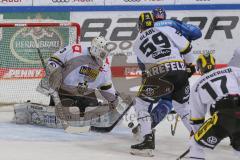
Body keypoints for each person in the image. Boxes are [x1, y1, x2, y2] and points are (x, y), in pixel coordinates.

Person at [130, 12, 192, 156]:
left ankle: (147, 140)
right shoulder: (168, 29)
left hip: (159, 73)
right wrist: (191, 66)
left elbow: (148, 66)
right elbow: (187, 48)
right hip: (180, 70)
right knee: (182, 107)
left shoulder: (137, 42)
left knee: (141, 103)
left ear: (139, 26)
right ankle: (199, 137)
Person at [46, 36, 118, 117]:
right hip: (64, 91)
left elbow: (105, 86)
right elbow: (54, 60)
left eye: (105, 54)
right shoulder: (75, 50)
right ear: (95, 49)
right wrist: (55, 74)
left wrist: (113, 99)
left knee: (92, 107)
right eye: (103, 53)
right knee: (68, 109)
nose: (104, 56)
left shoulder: (105, 64)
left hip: (86, 94)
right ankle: (55, 106)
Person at [188, 51, 240, 159]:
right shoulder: (231, 70)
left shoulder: (196, 86)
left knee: (195, 144)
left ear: (199, 67)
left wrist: (197, 135)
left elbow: (197, 118)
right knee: (238, 147)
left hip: (222, 117)